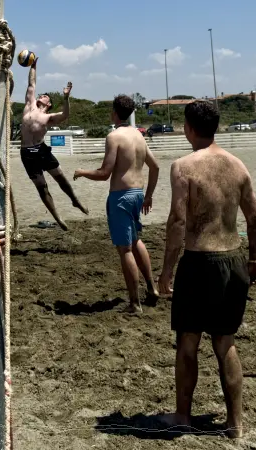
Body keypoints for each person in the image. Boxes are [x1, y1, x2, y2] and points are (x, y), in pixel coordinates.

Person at [157, 100, 256, 439]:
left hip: (199, 261)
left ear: (188, 127)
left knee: (188, 343)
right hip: (233, 260)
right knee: (225, 343)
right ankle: (235, 424)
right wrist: (255, 259)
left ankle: (183, 416)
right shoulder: (237, 165)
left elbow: (177, 221)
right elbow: (255, 218)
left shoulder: (183, 167)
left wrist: (166, 270)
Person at [73, 95, 160, 313]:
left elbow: (104, 173)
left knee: (125, 249)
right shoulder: (139, 136)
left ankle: (134, 303)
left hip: (121, 196)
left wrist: (82, 172)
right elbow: (155, 167)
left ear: (114, 112)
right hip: (137, 193)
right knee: (137, 240)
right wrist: (148, 195)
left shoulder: (114, 137)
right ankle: (151, 288)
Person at [20, 57, 88, 231]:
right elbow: (31, 83)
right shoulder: (29, 105)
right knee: (42, 187)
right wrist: (34, 66)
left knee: (60, 178)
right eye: (41, 95)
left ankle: (75, 200)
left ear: (48, 104)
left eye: (45, 97)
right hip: (27, 153)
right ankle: (57, 217)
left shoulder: (48, 117)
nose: (41, 96)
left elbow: (65, 115)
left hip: (41, 150)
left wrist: (66, 98)